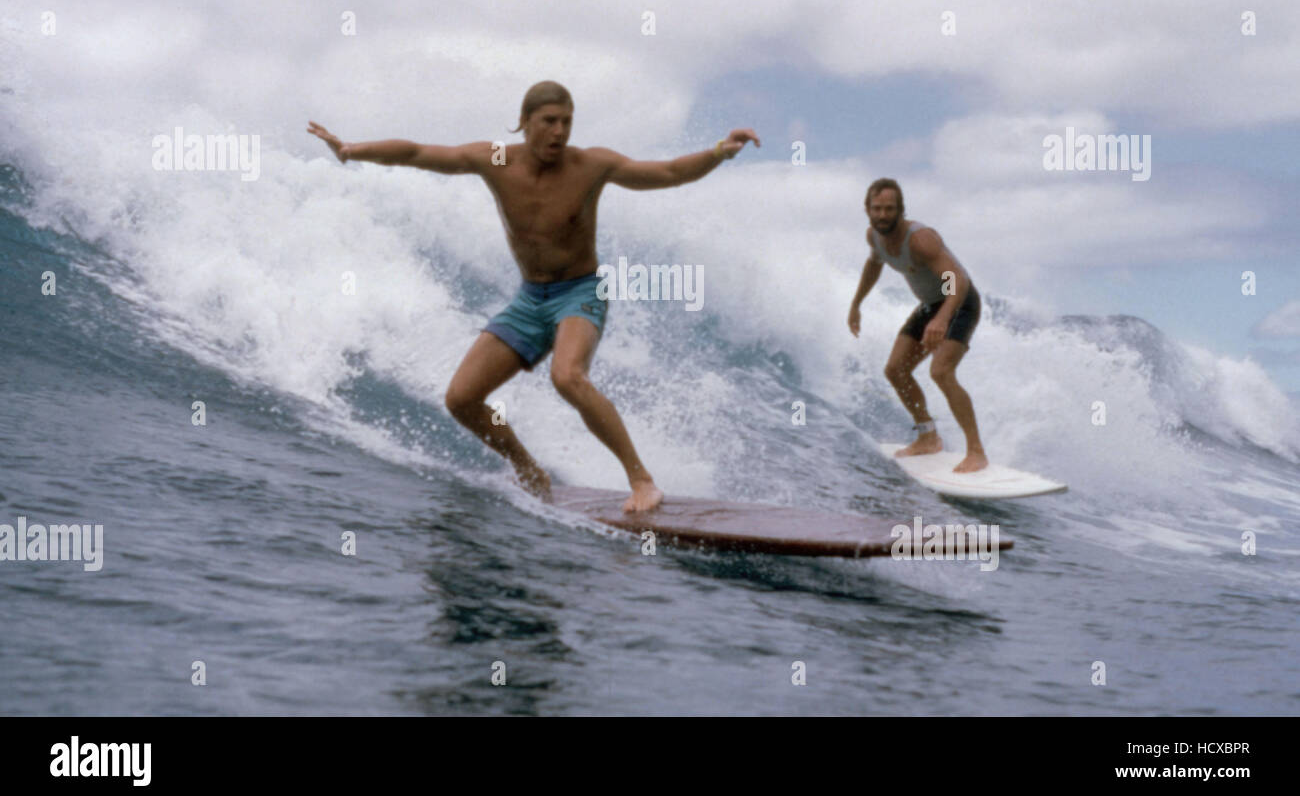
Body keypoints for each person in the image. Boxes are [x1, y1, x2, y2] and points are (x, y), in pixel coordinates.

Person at [309, 81, 759, 511]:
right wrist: (351, 149)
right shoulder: (499, 159)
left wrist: (719, 151)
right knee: (462, 399)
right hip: (530, 300)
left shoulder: (589, 165)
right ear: (524, 122)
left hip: (580, 292)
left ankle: (641, 480)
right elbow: (419, 153)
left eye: (567, 121)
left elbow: (666, 173)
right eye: (549, 121)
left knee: (568, 377)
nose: (559, 132)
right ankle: (528, 469)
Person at [847, 178, 988, 473]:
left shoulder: (921, 240)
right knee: (895, 370)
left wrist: (942, 318)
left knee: (941, 371)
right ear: (867, 209)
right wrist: (856, 303)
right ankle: (928, 437)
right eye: (877, 209)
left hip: (959, 303)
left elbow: (957, 279)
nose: (883, 215)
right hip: (930, 306)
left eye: (889, 209)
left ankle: (976, 451)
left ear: (901, 210)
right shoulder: (873, 236)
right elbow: (874, 264)